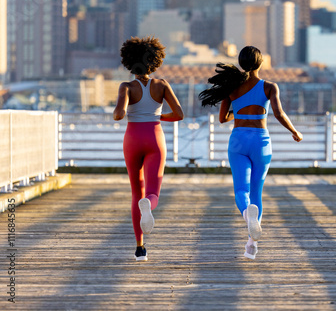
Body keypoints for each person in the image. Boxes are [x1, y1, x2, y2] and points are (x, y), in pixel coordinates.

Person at [199, 46, 303, 260]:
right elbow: (279, 113)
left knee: (241, 190)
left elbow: (222, 118)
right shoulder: (269, 87)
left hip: (238, 141)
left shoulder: (232, 87)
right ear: (260, 63)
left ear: (240, 63)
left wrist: (239, 111)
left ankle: (248, 216)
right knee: (257, 191)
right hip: (261, 142)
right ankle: (251, 245)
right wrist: (294, 131)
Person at [114, 36, 184, 261]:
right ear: (154, 61)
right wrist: (157, 116)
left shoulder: (126, 87)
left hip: (132, 138)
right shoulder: (162, 85)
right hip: (155, 137)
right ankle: (149, 205)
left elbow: (118, 114)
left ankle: (140, 247)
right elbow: (179, 114)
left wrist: (124, 109)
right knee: (152, 192)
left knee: (136, 192)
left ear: (129, 62)